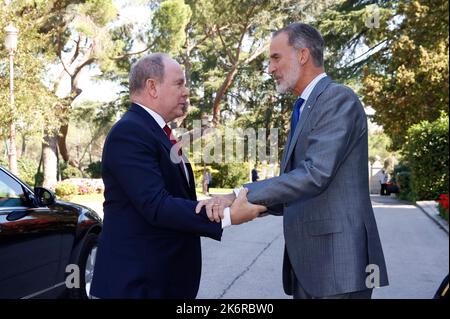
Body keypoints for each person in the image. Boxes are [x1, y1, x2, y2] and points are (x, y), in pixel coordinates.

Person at [197, 23, 389, 299]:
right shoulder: (304, 107)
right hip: (311, 266)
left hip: (338, 266)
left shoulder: (337, 98)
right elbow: (298, 185)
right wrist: (251, 206)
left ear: (302, 55)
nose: (270, 69)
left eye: (276, 58)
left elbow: (314, 175)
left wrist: (238, 195)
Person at [90, 53, 263, 299]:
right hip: (136, 286)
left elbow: (179, 196)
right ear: (152, 87)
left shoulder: (158, 132)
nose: (186, 91)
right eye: (179, 83)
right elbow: (156, 205)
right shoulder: (129, 132)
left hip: (161, 282)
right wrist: (227, 216)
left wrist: (228, 200)